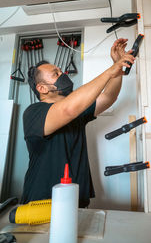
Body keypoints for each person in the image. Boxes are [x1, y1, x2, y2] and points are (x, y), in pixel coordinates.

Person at [21, 38, 135, 208]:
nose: (63, 75)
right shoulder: (33, 112)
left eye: (60, 71)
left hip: (76, 201)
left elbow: (108, 97)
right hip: (41, 202)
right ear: (42, 88)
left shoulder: (76, 108)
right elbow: (67, 110)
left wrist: (117, 67)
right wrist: (110, 71)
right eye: (55, 74)